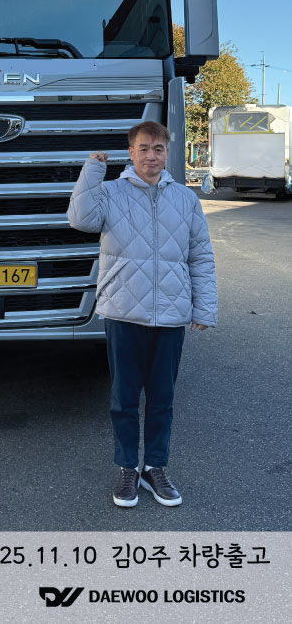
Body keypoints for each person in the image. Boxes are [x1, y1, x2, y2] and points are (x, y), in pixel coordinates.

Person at [67, 121, 217, 508]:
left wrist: (204, 307)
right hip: (123, 313)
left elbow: (200, 256)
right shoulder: (110, 192)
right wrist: (92, 170)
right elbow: (80, 220)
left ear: (167, 153)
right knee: (124, 399)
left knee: (163, 399)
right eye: (144, 149)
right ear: (131, 153)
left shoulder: (185, 199)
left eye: (158, 149)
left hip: (171, 316)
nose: (152, 156)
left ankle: (155, 468)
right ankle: (127, 468)